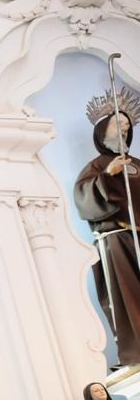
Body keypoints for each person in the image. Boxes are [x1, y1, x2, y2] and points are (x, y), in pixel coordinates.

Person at [74, 97, 138, 366]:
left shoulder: (138, 164)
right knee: (129, 299)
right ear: (102, 132)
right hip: (117, 242)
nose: (123, 132)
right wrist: (108, 176)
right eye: (117, 127)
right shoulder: (96, 168)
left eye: (126, 127)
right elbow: (84, 200)